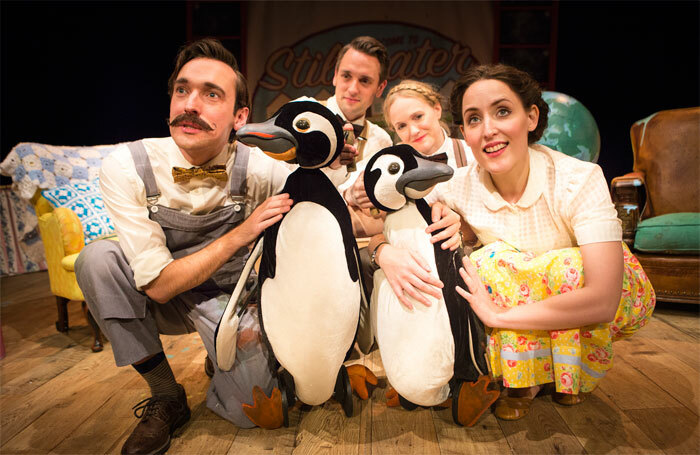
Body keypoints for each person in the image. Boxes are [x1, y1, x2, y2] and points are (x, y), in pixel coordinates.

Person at [74, 39, 351, 454]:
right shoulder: (128, 165)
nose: (191, 104)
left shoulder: (259, 166)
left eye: (211, 94)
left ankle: (219, 352)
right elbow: (159, 286)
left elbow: (333, 209)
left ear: (241, 116)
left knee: (253, 409)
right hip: (162, 295)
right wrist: (241, 233)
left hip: (229, 298)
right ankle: (166, 397)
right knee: (97, 260)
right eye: (182, 91)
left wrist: (405, 220)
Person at [372, 63, 656, 421]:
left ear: (532, 117)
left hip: (587, 296)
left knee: (559, 265)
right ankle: (524, 379)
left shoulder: (578, 179)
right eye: (474, 119)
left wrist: (498, 314)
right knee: (480, 265)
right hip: (516, 300)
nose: (488, 130)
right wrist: (384, 253)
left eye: (502, 111)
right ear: (464, 131)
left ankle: (565, 372)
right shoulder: (454, 186)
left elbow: (603, 298)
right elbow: (383, 231)